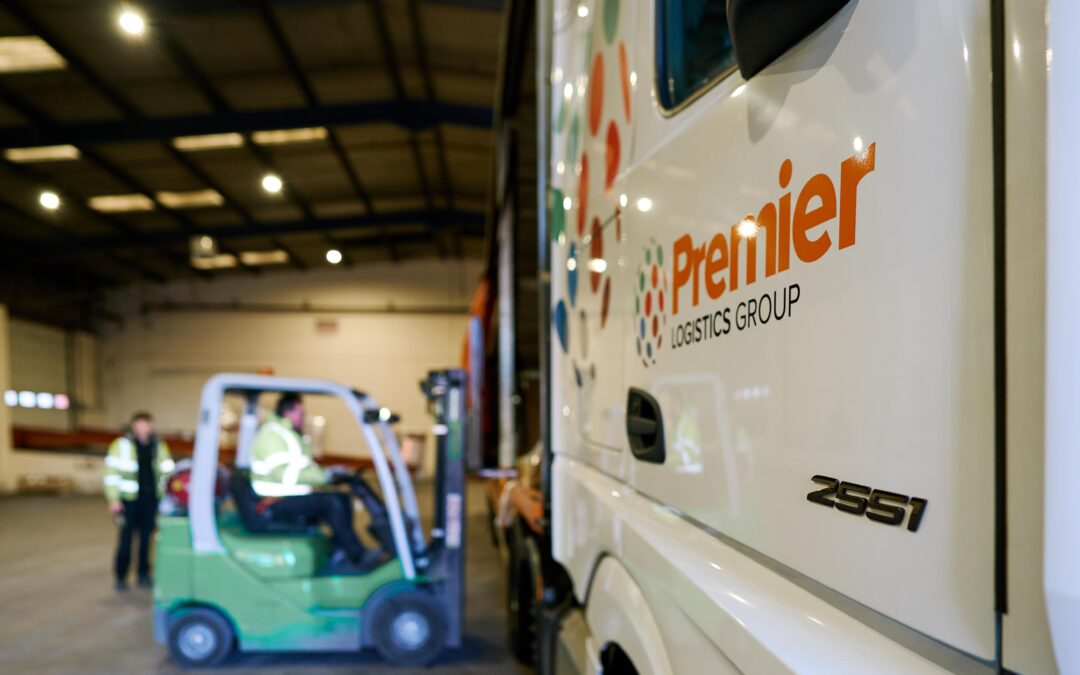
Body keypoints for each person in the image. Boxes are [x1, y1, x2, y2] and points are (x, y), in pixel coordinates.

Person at [249, 394, 378, 570]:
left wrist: (328, 473)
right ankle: (357, 555)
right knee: (331, 502)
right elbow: (284, 475)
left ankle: (341, 550)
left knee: (340, 497)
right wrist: (324, 477)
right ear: (289, 411)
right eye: (301, 413)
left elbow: (302, 466)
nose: (303, 417)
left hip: (288, 495)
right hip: (273, 500)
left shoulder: (288, 434)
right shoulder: (272, 435)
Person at [104, 411, 174, 591]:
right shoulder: (121, 445)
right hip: (128, 501)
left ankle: (143, 574)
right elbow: (111, 474)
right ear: (133, 426)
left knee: (146, 539)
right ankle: (121, 576)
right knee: (126, 539)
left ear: (151, 426)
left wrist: (167, 495)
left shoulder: (158, 445)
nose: (144, 428)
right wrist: (113, 500)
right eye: (140, 424)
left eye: (147, 424)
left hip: (150, 500)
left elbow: (167, 471)